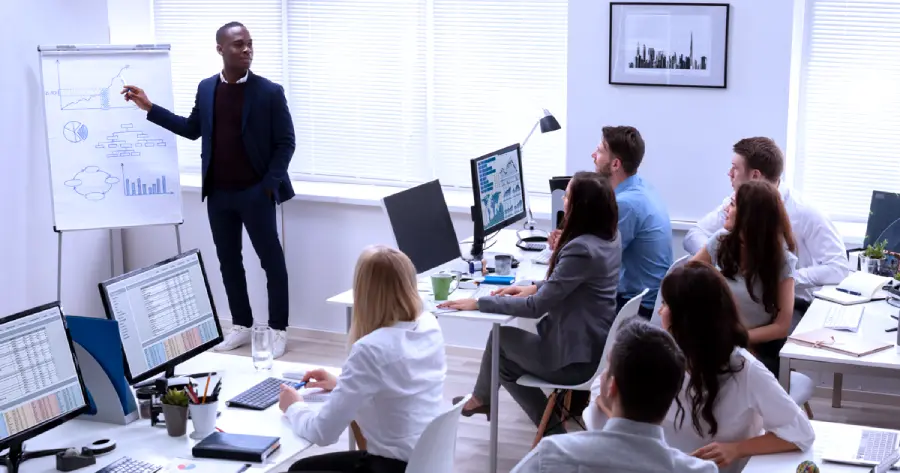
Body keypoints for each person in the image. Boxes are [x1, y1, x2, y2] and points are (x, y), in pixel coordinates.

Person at [122, 22, 295, 357]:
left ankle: (278, 329)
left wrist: (268, 187)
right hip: (219, 194)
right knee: (229, 262)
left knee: (272, 262)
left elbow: (286, 142)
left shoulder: (269, 92)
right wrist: (150, 108)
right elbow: (191, 129)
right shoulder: (206, 88)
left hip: (256, 194)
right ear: (220, 50)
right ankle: (242, 325)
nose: (246, 50)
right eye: (238, 45)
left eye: (249, 44)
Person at [585, 261, 815, 473]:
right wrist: (620, 419)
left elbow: (801, 434)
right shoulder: (656, 354)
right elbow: (602, 391)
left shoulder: (744, 369)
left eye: (665, 304)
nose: (659, 311)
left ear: (685, 317)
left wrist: (736, 448)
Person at [440, 172, 621, 436]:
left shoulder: (581, 249)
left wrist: (480, 303)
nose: (564, 200)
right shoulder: (609, 237)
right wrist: (532, 287)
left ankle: (529, 421)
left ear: (580, 206)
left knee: (499, 340)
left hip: (575, 361)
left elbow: (536, 307)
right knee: (502, 363)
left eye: (568, 195)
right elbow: (569, 284)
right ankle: (544, 426)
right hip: (594, 346)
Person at [278, 245, 446, 473]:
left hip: (391, 467)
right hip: (425, 462)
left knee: (299, 470)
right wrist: (342, 384)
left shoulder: (370, 349)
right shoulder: (429, 324)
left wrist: (294, 406)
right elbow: (400, 388)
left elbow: (322, 433)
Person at [684, 137, 848, 329]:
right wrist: (720, 257)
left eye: (735, 168)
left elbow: (839, 268)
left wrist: (780, 278)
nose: (729, 173)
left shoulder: (805, 213)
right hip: (740, 299)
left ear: (755, 175)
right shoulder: (734, 203)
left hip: (787, 304)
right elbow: (694, 235)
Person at [513, 320, 717, 473]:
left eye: (607, 368)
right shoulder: (701, 470)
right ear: (673, 395)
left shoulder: (552, 455)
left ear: (612, 386)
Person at [549, 126, 672, 318]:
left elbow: (594, 261)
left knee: (560, 303)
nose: (593, 155)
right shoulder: (641, 187)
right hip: (645, 297)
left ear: (615, 164)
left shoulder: (625, 204)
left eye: (599, 151)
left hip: (637, 306)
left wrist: (563, 247)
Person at [692, 180, 797, 375]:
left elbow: (781, 327)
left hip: (756, 349)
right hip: (716, 342)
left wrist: (736, 339)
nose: (726, 208)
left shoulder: (782, 262)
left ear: (748, 216)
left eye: (732, 204)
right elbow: (686, 277)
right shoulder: (721, 240)